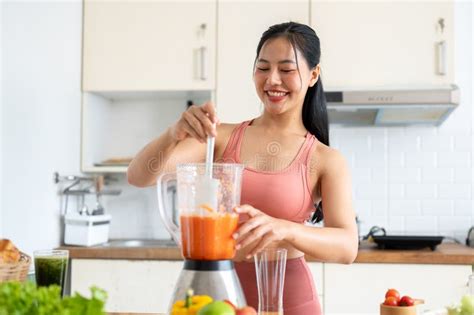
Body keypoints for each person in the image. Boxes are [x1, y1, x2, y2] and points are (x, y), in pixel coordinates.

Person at [127, 22, 358, 315]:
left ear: (313, 75)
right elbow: (139, 176)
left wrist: (283, 229)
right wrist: (173, 133)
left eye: (286, 70)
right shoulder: (219, 138)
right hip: (218, 293)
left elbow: (347, 246)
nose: (272, 80)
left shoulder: (325, 159)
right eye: (263, 68)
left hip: (290, 299)